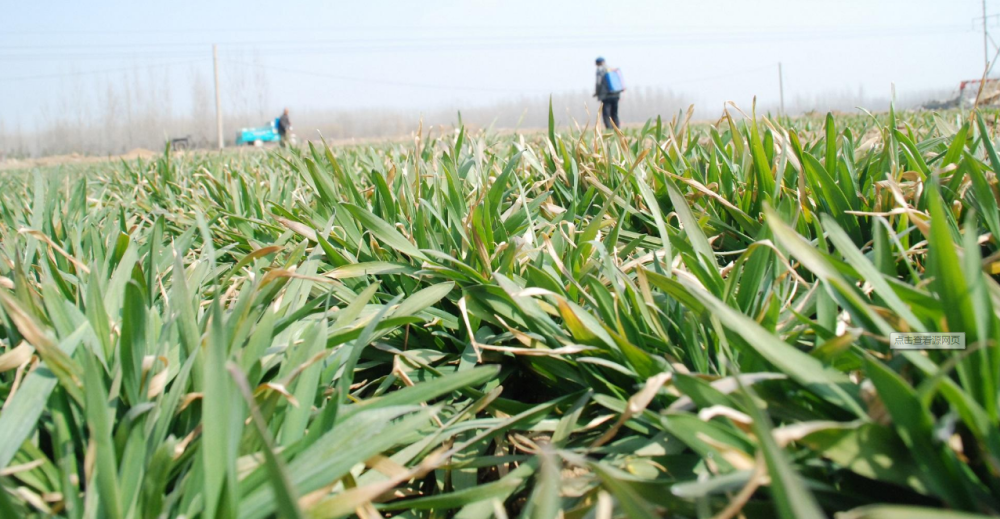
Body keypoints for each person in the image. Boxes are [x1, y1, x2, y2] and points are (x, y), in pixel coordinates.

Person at [594, 57, 621, 130]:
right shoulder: (611, 69)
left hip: (606, 95)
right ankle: (617, 128)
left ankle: (609, 129)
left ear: (597, 63)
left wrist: (597, 92)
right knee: (614, 113)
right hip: (616, 94)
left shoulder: (600, 70)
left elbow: (598, 83)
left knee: (606, 113)